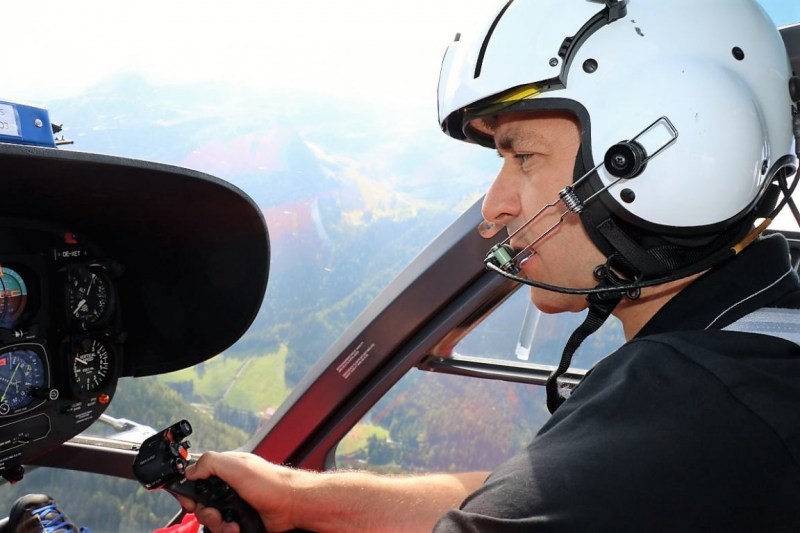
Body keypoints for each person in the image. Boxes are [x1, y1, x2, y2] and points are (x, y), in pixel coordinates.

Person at [6, 0, 799, 531]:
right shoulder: (752, 337)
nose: (495, 205)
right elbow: (523, 499)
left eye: (521, 155)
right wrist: (299, 497)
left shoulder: (699, 409)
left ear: (665, 156)